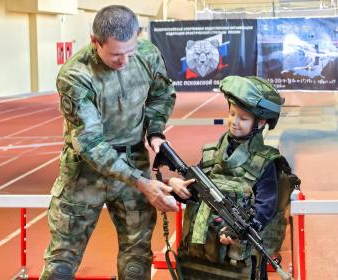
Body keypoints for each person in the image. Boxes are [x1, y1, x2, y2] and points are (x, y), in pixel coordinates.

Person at [39, 5, 178, 280]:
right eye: (115, 54)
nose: (124, 60)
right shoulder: (75, 76)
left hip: (134, 158)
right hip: (84, 172)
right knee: (62, 259)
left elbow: (161, 95)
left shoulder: (147, 54)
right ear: (95, 41)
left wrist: (155, 132)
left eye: (130, 51)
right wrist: (142, 183)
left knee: (136, 258)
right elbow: (91, 145)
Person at [168, 75, 285, 280]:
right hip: (199, 253)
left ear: (261, 122)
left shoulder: (264, 161)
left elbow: (266, 207)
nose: (234, 122)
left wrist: (240, 229)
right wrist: (177, 188)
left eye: (243, 118)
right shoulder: (212, 153)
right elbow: (196, 193)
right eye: (232, 114)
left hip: (236, 258)